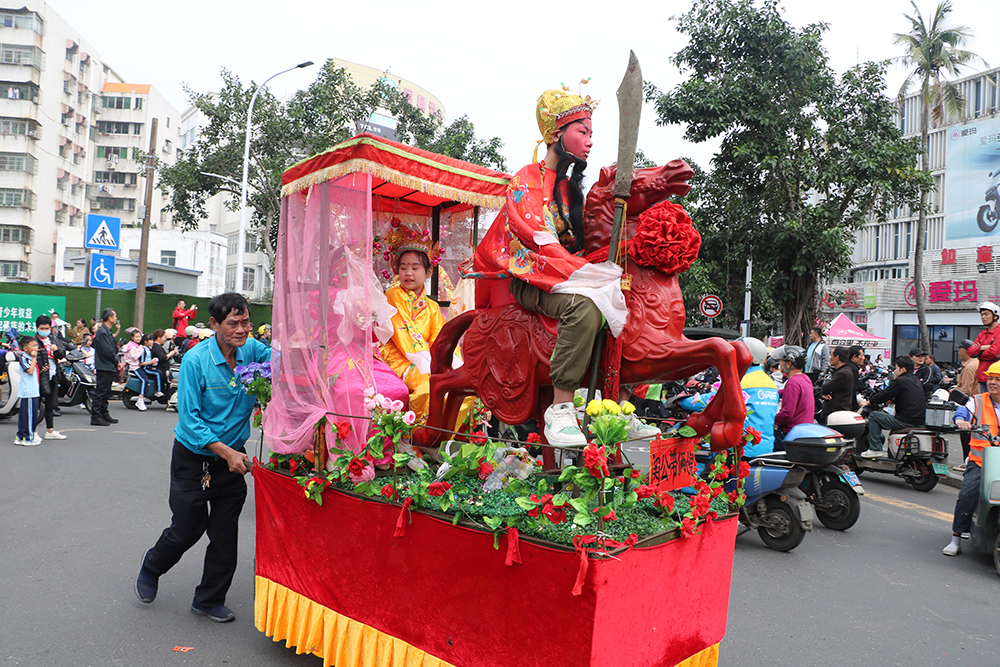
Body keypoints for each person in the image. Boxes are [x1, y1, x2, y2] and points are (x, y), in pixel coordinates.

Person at [465, 85, 654, 446]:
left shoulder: (570, 190)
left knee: (629, 304)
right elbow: (535, 232)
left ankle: (620, 405)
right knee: (583, 308)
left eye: (591, 134)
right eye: (582, 131)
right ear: (556, 134)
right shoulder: (526, 178)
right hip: (531, 275)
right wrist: (579, 271)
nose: (589, 141)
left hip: (568, 271)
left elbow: (584, 242)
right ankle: (561, 408)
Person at [135, 292, 270, 623]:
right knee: (186, 529)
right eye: (233, 323)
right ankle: (152, 566)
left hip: (231, 462)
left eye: (246, 322)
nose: (241, 330)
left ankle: (209, 599)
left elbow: (285, 363)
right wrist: (226, 453)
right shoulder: (196, 361)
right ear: (214, 324)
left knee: (225, 535)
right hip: (194, 458)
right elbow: (190, 419)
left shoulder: (252, 350)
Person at [379, 227, 475, 426]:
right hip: (399, 357)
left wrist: (451, 365)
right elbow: (404, 336)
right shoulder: (393, 296)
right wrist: (434, 367)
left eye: (415, 268)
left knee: (464, 391)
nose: (408, 273)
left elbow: (442, 338)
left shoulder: (432, 306)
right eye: (404, 267)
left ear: (428, 271)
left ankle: (445, 435)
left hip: (426, 359)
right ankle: (418, 437)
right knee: (427, 387)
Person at [943, 361, 1000, 556]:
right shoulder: (977, 400)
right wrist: (961, 420)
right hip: (980, 462)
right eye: (990, 378)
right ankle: (956, 537)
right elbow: (963, 411)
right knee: (967, 495)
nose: (992, 382)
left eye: (997, 379)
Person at [859, 356, 926, 458]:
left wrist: (869, 401)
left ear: (903, 369)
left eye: (896, 368)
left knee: (873, 416)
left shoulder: (901, 380)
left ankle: (875, 449)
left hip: (905, 420)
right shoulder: (915, 380)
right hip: (920, 420)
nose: (894, 371)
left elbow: (885, 394)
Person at [736, 338, 779, 458]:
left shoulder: (742, 381)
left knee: (707, 475)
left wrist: (683, 401)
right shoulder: (770, 382)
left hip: (743, 448)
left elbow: (712, 400)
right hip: (766, 447)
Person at [772, 345, 815, 445]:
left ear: (789, 363)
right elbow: (785, 392)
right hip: (803, 431)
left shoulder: (793, 382)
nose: (779, 363)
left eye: (781, 361)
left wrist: (771, 418)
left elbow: (787, 414)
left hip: (789, 433)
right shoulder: (804, 378)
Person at [34, 315, 66, 440]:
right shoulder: (34, 341)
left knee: (50, 404)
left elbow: (62, 354)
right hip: (40, 376)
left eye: (47, 328)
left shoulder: (53, 339)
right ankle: (33, 431)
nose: (44, 330)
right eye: (42, 328)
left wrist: (56, 350)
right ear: (37, 328)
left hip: (53, 375)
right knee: (36, 405)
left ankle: (50, 431)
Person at [91, 308, 121, 427]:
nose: (116, 318)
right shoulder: (102, 332)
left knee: (106, 391)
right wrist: (116, 360)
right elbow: (107, 351)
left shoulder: (106, 331)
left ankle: (104, 413)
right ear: (109, 318)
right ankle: (96, 416)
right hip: (104, 365)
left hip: (108, 365)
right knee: (101, 391)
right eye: (114, 316)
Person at [954, 339, 979, 472]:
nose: (958, 353)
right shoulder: (974, 363)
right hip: (975, 403)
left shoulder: (970, 367)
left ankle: (967, 461)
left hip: (970, 404)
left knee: (965, 434)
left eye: (959, 351)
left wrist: (952, 392)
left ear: (964, 350)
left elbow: (967, 390)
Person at [14, 336, 40, 446]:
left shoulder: (29, 357)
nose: (36, 347)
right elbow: (30, 371)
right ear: (25, 348)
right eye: (33, 345)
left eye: (36, 345)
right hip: (28, 391)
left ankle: (20, 436)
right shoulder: (24, 358)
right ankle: (28, 438)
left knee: (28, 415)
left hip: (33, 390)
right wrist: (34, 358)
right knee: (29, 416)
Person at [968, 302, 1000, 393]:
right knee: (986, 405)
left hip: (996, 378)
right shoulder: (982, 334)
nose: (983, 317)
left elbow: (994, 353)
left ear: (995, 316)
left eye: (986, 314)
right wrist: (982, 348)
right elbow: (970, 352)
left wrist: (978, 353)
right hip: (982, 377)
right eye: (982, 315)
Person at [820, 346, 854, 423]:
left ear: (837, 357)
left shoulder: (843, 373)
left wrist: (825, 391)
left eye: (831, 356)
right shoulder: (842, 371)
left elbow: (825, 387)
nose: (830, 358)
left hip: (836, 414)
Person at [134, 333, 160, 410]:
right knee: (144, 380)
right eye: (151, 340)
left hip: (147, 367)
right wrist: (151, 362)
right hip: (142, 368)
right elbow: (141, 363)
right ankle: (140, 399)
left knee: (159, 373)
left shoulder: (148, 349)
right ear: (145, 341)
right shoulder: (143, 350)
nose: (152, 342)